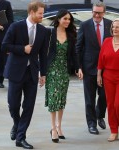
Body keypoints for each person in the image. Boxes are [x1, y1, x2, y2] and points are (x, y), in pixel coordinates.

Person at [2, 1, 47, 149]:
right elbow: (5, 46)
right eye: (40, 13)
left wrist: (43, 74)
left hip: (32, 73)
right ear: (32, 12)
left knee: (29, 106)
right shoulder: (16, 27)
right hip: (16, 72)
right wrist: (23, 49)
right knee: (13, 105)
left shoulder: (43, 30)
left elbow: (43, 54)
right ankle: (17, 124)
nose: (42, 16)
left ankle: (20, 137)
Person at [76, 1, 112, 134]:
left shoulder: (110, 25)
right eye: (95, 12)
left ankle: (99, 115)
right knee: (89, 98)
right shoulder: (85, 25)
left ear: (104, 12)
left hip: (107, 68)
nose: (96, 15)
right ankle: (91, 124)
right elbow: (78, 47)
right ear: (92, 11)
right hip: (89, 67)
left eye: (99, 12)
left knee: (104, 96)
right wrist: (79, 67)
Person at [45, 9, 79, 143]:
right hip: (51, 70)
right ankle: (53, 128)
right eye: (65, 18)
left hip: (64, 70)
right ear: (58, 19)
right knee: (54, 97)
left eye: (69, 19)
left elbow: (74, 54)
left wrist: (78, 68)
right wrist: (41, 71)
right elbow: (43, 51)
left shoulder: (71, 34)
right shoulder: (50, 33)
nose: (67, 21)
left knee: (61, 100)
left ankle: (59, 126)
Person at [97, 18, 119, 142]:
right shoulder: (106, 41)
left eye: (117, 27)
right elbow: (101, 59)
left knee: (118, 104)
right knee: (110, 105)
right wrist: (99, 75)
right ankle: (114, 130)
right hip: (108, 77)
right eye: (113, 27)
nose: (115, 29)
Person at [0, 0, 13, 88]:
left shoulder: (6, 4)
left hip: (2, 37)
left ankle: (0, 81)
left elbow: (11, 21)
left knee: (2, 59)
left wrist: (1, 27)